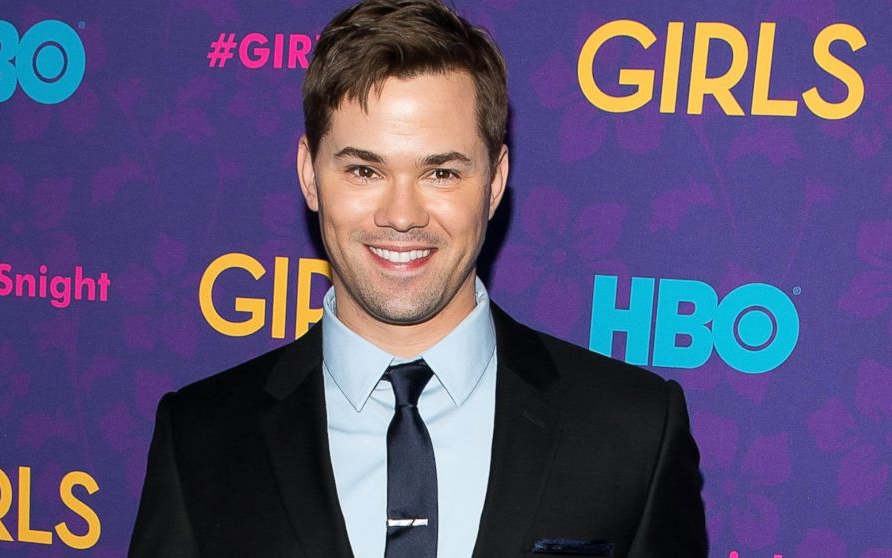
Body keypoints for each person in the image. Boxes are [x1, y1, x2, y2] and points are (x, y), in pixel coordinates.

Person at [128, 0, 708, 556]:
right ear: (309, 174)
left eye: (441, 172)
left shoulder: (632, 432)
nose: (401, 214)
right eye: (363, 169)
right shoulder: (200, 438)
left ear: (495, 180)